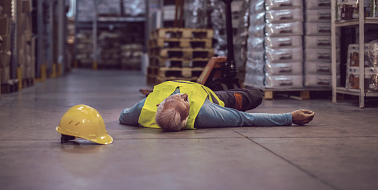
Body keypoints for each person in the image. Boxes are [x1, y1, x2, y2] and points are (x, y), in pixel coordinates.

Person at [119, 80, 315, 131]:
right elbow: (247, 119)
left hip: (199, 87)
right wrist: (290, 117)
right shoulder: (207, 115)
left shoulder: (143, 110)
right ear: (187, 118)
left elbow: (122, 116)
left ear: (160, 104)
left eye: (176, 97)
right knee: (255, 95)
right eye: (185, 101)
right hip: (216, 98)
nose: (184, 95)